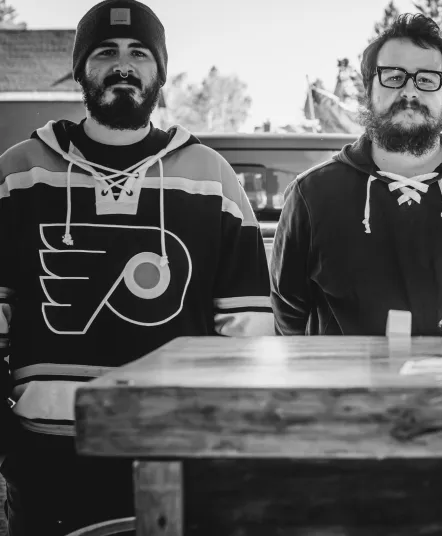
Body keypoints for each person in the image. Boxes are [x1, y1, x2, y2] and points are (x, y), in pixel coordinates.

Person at [0, 1, 273, 534]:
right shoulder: (17, 174)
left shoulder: (212, 177)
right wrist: (10, 449)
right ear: (81, 69)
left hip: (177, 455)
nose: (123, 65)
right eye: (106, 52)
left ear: (160, 73)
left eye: (139, 54)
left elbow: (247, 337)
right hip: (47, 463)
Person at [270, 14, 442, 336]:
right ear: (368, 88)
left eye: (427, 79)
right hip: (348, 385)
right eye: (393, 76)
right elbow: (288, 312)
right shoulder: (313, 193)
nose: (409, 92)